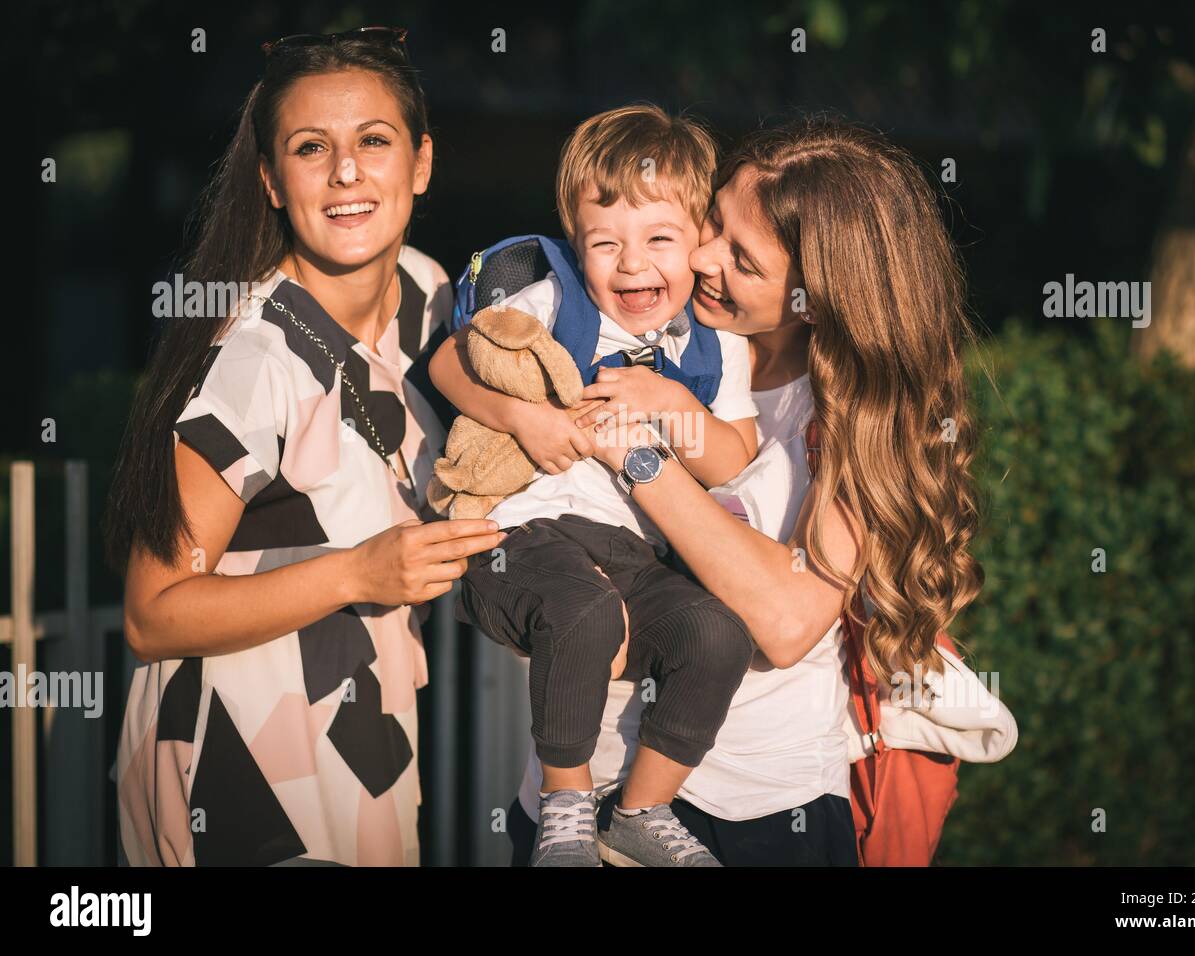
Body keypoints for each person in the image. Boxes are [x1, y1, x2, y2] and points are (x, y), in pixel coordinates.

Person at [509, 117, 985, 865]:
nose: (700, 258)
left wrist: (640, 456)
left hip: (755, 810)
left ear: (820, 297)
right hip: (581, 785)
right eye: (713, 224)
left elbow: (790, 619)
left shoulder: (853, 418)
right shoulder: (644, 325)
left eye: (743, 258)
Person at [104, 27, 504, 866]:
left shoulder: (432, 297)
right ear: (272, 181)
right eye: (311, 148)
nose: (347, 173)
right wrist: (360, 572)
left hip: (364, 727)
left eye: (374, 142)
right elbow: (152, 612)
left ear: (422, 163)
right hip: (241, 754)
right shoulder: (250, 358)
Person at [429, 105, 760, 866]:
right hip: (524, 534)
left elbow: (731, 453)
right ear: (577, 247)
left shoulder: (712, 348)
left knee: (718, 634)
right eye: (604, 243)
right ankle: (567, 805)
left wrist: (673, 405)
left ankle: (640, 806)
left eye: (659, 240)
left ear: (699, 240)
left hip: (632, 549)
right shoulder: (555, 299)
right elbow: (449, 364)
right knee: (582, 611)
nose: (631, 265)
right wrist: (524, 417)